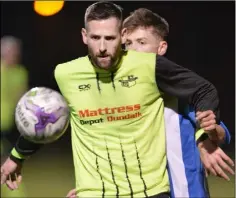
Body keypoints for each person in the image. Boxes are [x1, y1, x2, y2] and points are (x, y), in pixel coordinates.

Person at [0, 2, 230, 198]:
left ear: (121, 36)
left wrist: (205, 133)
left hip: (150, 192)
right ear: (84, 36)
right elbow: (48, 116)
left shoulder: (148, 66)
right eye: (95, 37)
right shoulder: (66, 74)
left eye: (109, 38)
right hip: (94, 192)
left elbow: (202, 90)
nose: (102, 47)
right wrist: (17, 156)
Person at [121, 8, 234, 198]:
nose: (133, 50)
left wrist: (207, 136)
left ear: (161, 48)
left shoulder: (178, 91)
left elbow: (221, 133)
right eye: (128, 44)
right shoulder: (119, 96)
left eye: (142, 42)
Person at [1, 36, 28, 197]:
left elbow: (22, 98)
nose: (13, 54)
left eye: (15, 51)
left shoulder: (20, 72)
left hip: (12, 125)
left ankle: (13, 192)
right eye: (9, 51)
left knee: (10, 161)